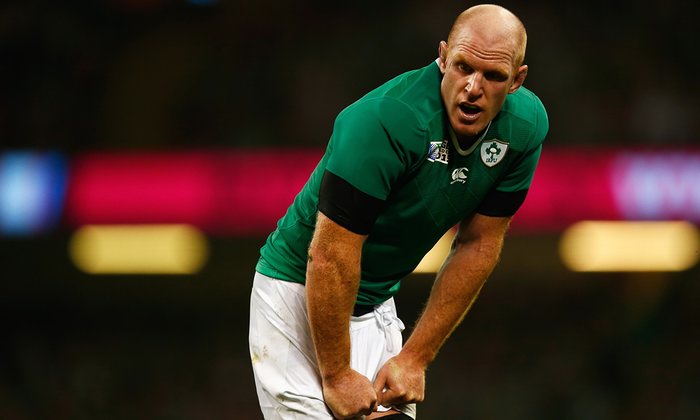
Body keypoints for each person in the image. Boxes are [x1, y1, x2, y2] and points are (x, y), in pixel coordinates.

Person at [249, 4, 548, 419]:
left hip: (374, 302)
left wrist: (415, 358)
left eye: (493, 75)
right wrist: (337, 374)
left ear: (517, 79)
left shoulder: (525, 128)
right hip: (298, 289)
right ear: (442, 57)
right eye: (463, 67)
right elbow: (330, 255)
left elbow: (479, 243)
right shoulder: (385, 120)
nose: (473, 87)